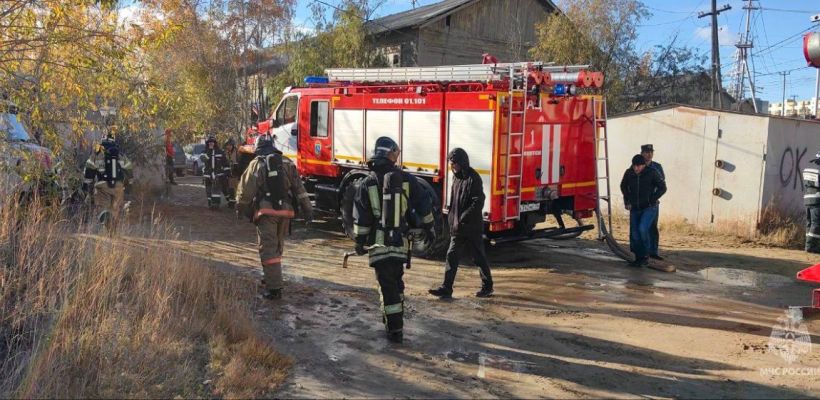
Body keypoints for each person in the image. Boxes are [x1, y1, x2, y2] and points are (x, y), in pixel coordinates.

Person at [352, 137, 435, 344]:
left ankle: (395, 328)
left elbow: (361, 216)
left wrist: (359, 242)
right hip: (400, 243)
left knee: (386, 285)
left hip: (378, 246)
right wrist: (429, 227)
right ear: (391, 155)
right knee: (396, 283)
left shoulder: (367, 182)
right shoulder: (406, 179)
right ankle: (393, 320)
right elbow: (425, 202)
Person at [235, 133, 313, 300]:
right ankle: (271, 277)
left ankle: (274, 288)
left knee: (268, 248)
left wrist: (240, 209)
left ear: (258, 147)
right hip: (286, 212)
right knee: (277, 246)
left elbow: (245, 191)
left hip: (266, 213)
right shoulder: (287, 163)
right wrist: (308, 211)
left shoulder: (256, 164)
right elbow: (300, 189)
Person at [429, 148, 494, 299]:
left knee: (478, 257)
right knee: (451, 256)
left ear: (462, 163)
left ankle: (487, 286)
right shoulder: (455, 178)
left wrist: (464, 217)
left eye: (454, 164)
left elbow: (478, 201)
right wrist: (452, 219)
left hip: (472, 227)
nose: (452, 167)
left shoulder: (473, 178)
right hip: (457, 227)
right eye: (451, 164)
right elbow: (454, 201)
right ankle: (446, 288)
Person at [620, 154, 667, 267]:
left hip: (649, 207)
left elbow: (663, 187)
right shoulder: (629, 173)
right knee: (635, 234)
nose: (636, 169)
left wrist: (653, 198)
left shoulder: (652, 172)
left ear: (644, 165)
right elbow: (623, 186)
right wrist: (627, 201)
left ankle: (646, 254)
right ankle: (639, 257)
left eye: (639, 166)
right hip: (635, 207)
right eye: (634, 166)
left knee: (642, 229)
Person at [83, 133, 132, 227]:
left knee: (103, 209)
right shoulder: (120, 154)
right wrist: (128, 184)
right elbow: (129, 168)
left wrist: (86, 187)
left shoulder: (97, 154)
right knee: (115, 210)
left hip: (102, 187)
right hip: (118, 187)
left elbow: (89, 170)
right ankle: (112, 234)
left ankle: (106, 226)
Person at [641, 144, 664, 260]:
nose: (649, 154)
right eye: (646, 152)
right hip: (640, 202)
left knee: (652, 227)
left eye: (651, 152)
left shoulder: (657, 167)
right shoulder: (637, 166)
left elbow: (662, 183)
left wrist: (655, 197)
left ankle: (653, 252)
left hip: (653, 202)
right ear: (642, 153)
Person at [200, 135, 230, 208]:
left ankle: (216, 205)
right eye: (209, 142)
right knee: (208, 190)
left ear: (215, 143)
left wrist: (227, 173)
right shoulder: (204, 152)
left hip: (218, 175)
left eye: (212, 142)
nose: (211, 143)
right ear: (207, 143)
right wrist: (209, 151)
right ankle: (210, 203)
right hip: (208, 174)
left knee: (217, 190)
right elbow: (204, 160)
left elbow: (225, 163)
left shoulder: (220, 152)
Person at [803, 151, 820, 253]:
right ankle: (812, 247)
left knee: (809, 223)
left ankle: (807, 246)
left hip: (807, 200)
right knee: (816, 224)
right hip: (817, 200)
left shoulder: (809, 169)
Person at [224, 137, 239, 207]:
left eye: (230, 145)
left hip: (236, 173)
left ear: (233, 145)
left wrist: (237, 167)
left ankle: (235, 203)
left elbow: (240, 162)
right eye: (227, 145)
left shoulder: (237, 152)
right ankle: (231, 202)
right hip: (229, 173)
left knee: (235, 188)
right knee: (230, 188)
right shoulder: (226, 152)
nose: (228, 146)